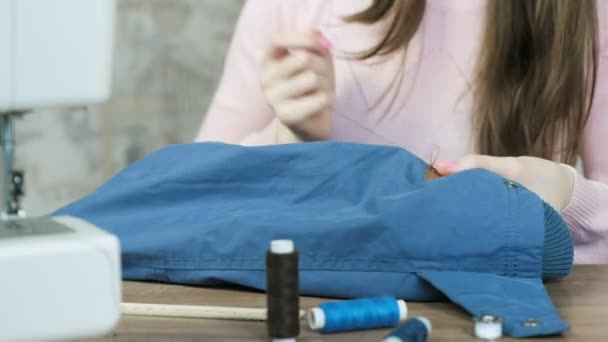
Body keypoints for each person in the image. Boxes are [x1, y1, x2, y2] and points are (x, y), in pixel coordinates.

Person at [195, 0, 608, 264]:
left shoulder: (588, 14)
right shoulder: (293, 8)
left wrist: (566, 196)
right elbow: (193, 204)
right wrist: (291, 139)